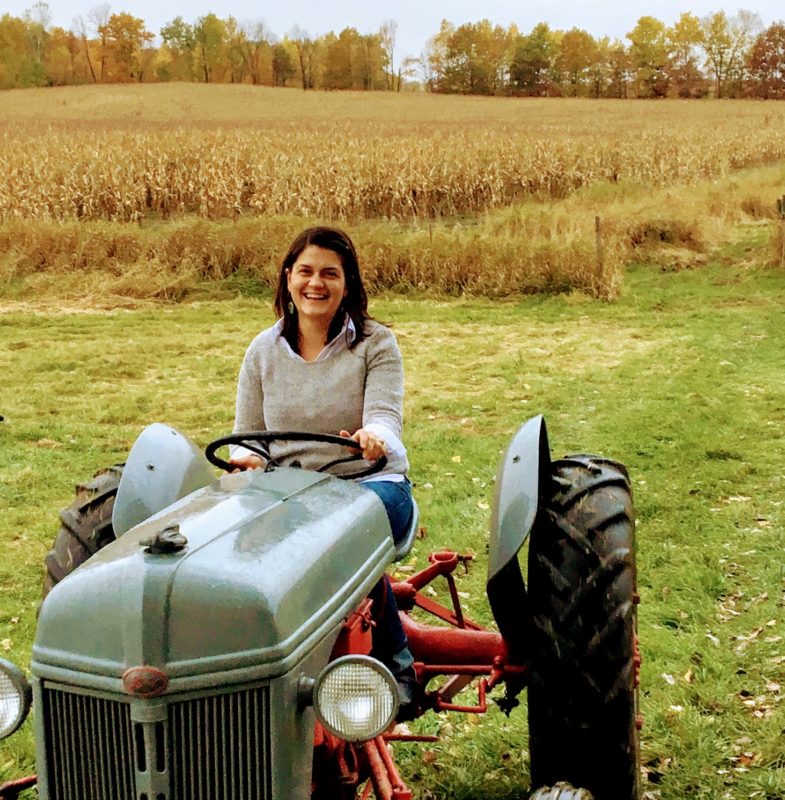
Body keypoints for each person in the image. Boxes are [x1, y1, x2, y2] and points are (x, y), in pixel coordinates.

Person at [229, 225, 416, 709]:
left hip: (370, 483)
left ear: (347, 283)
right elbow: (247, 435)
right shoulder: (262, 351)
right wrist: (245, 458)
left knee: (339, 535)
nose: (317, 283)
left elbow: (385, 416)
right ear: (288, 278)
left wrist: (374, 437)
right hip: (289, 489)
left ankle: (397, 661)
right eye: (306, 271)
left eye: (330, 274)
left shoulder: (376, 344)